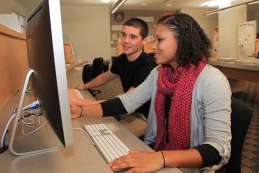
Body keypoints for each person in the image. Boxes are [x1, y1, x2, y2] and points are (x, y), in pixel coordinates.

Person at [71, 13, 231, 172]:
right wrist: (81, 111)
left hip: (192, 164)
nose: (153, 46)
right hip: (161, 150)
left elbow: (218, 150)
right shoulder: (159, 73)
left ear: (182, 41)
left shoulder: (212, 80)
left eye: (160, 39)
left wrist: (160, 158)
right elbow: (127, 102)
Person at [77, 17, 157, 137]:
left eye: (133, 37)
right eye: (124, 35)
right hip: (127, 110)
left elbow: (127, 100)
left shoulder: (148, 66)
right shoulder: (122, 59)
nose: (125, 41)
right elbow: (103, 78)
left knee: (108, 138)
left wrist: (82, 104)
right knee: (88, 126)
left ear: (144, 41)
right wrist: (83, 86)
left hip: (143, 117)